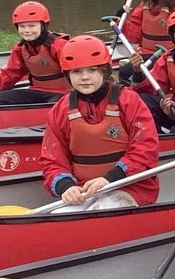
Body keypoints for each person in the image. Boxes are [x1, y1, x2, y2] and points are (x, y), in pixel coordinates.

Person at [41, 35, 160, 212]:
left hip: (129, 186)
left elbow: (146, 148)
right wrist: (66, 186)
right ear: (67, 75)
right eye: (76, 72)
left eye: (92, 70)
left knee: (100, 210)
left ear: (105, 71)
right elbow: (52, 159)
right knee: (60, 215)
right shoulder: (60, 110)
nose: (85, 78)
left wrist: (109, 179)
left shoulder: (128, 100)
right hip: (83, 189)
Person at [0, 1, 70, 104]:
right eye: (22, 26)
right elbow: (7, 76)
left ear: (43, 26)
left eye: (32, 25)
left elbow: (76, 72)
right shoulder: (20, 48)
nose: (26, 30)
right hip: (37, 91)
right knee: (0, 99)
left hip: (62, 93)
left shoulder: (58, 45)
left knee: (55, 104)